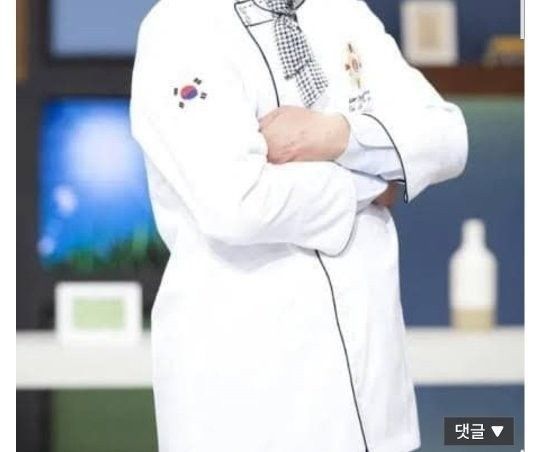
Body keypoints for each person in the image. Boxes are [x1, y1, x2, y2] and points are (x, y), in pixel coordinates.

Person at [130, 0, 468, 451]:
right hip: (251, 397)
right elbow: (239, 204)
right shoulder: (181, 25)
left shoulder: (343, 11)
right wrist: (370, 182)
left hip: (375, 395)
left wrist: (336, 136)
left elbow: (448, 137)